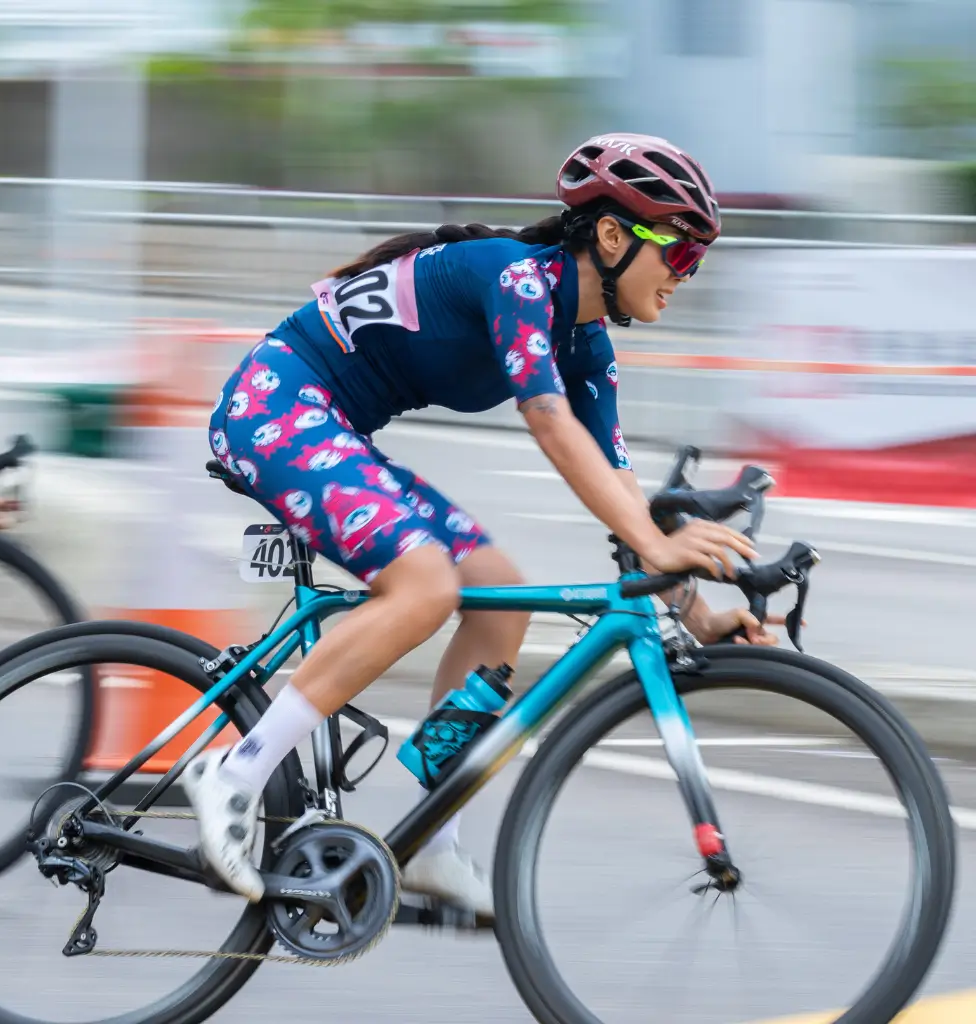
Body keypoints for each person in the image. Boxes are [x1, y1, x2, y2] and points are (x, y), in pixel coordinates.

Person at [184, 132, 786, 913]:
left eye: (695, 263)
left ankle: (433, 845)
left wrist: (698, 616)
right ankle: (235, 771)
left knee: (501, 598)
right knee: (425, 586)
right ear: (611, 235)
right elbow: (548, 422)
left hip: (335, 429)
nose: (684, 277)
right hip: (275, 405)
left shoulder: (588, 343)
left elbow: (621, 493)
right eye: (677, 256)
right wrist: (653, 541)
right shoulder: (517, 278)